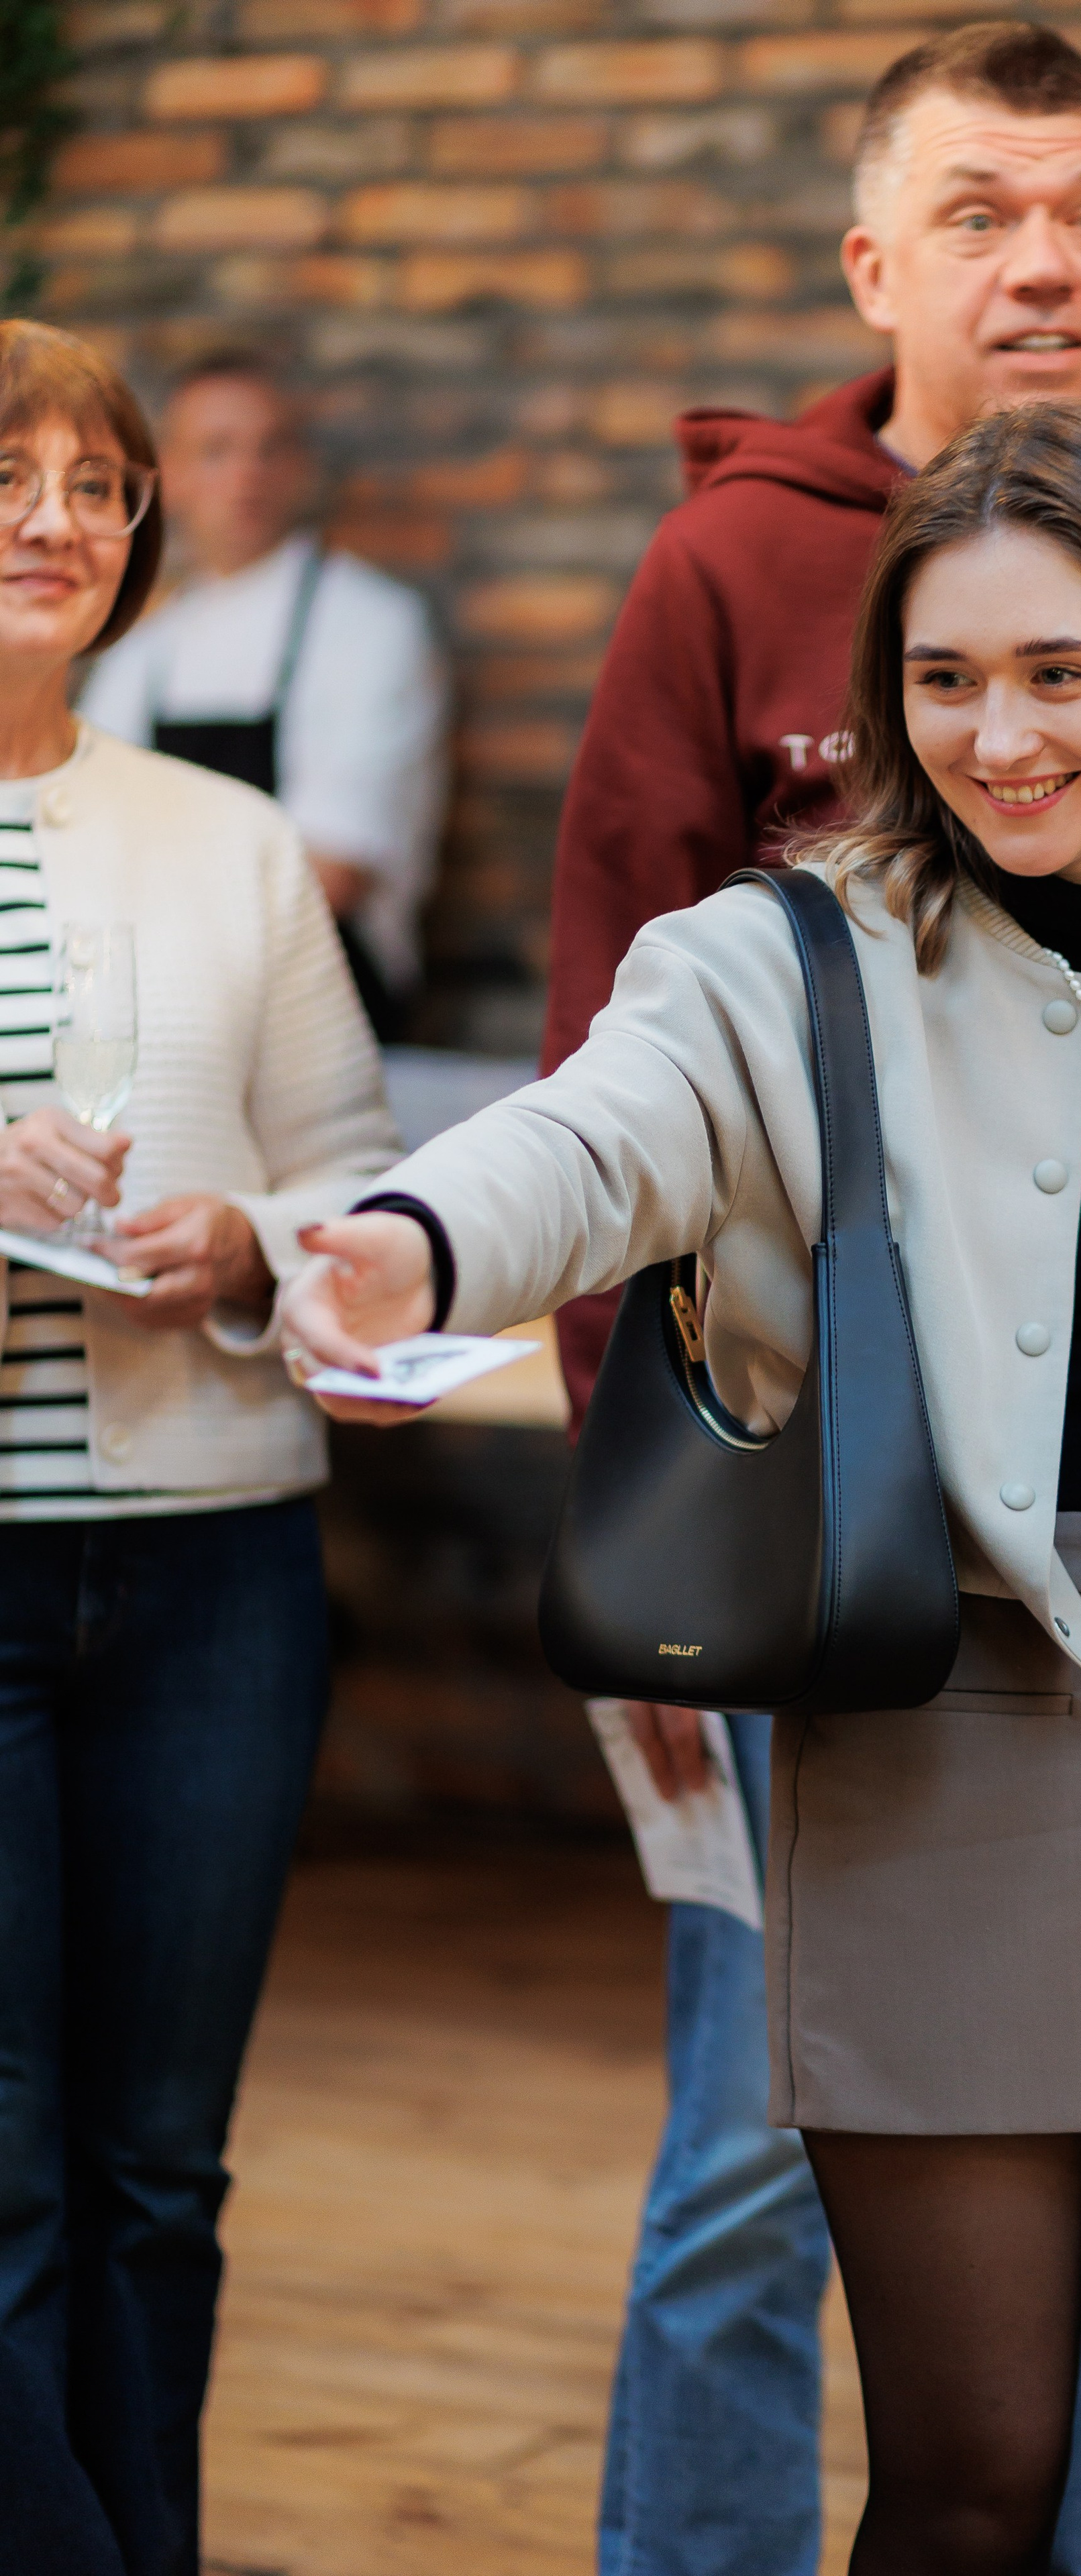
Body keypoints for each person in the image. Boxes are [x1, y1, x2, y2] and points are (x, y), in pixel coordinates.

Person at [282, 396, 1081, 2575]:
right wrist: (409, 1240)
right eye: (945, 680)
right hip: (932, 1753)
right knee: (973, 2486)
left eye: (1056, 675)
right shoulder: (781, 959)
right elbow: (587, 1140)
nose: (998, 734)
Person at [536, 24, 1081, 2576]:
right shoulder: (726, 566)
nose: (1034, 255)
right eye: (972, 208)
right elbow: (619, 1080)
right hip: (842, 1615)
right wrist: (665, 1593)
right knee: (755, 2190)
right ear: (873, 261)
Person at [0, 317, 400, 2576]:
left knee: (160, 2166)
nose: (62, 519)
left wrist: (250, 1239)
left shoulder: (229, 846)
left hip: (208, 1575)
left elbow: (356, 1189)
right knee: (4, 2161)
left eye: (99, 483)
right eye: (11, 474)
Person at [79, 347, 450, 1041]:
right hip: (159, 1015)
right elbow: (79, 847)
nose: (247, 473)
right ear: (172, 479)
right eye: (217, 451)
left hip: (325, 1013)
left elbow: (332, 875)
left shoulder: (372, 626)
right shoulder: (139, 653)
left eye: (269, 448)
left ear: (301, 468)